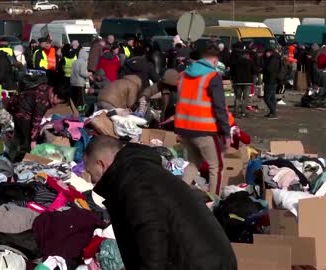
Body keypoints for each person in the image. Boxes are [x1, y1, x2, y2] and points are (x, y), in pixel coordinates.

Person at [84, 136, 237, 270]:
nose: (92, 181)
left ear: (101, 164)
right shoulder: (138, 171)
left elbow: (152, 240)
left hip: (200, 263)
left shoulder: (136, 182)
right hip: (205, 259)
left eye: (91, 173)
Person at [175, 46, 231, 195]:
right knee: (216, 166)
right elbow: (220, 108)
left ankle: (179, 193)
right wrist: (226, 133)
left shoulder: (183, 75)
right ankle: (214, 201)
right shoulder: (213, 76)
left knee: (195, 161)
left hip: (183, 128)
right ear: (213, 60)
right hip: (204, 129)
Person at [5, 83, 69, 161]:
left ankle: (12, 153)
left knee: (19, 135)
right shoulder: (42, 101)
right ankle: (19, 159)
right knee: (26, 140)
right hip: (21, 110)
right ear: (55, 96)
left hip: (18, 103)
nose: (57, 104)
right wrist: (33, 141)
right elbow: (35, 122)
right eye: (59, 101)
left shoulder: (48, 88)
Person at [232, 51, 255, 118]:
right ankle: (243, 112)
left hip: (237, 82)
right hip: (247, 82)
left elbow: (232, 72)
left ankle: (236, 112)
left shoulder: (236, 62)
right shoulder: (250, 62)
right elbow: (254, 71)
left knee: (237, 98)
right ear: (247, 55)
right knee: (245, 98)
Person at [263, 48, 280, 119]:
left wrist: (263, 70)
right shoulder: (276, 58)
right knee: (272, 98)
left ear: (269, 52)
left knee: (266, 98)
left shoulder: (272, 59)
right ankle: (272, 112)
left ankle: (273, 112)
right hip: (274, 80)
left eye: (266, 53)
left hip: (270, 80)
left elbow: (269, 69)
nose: (265, 54)